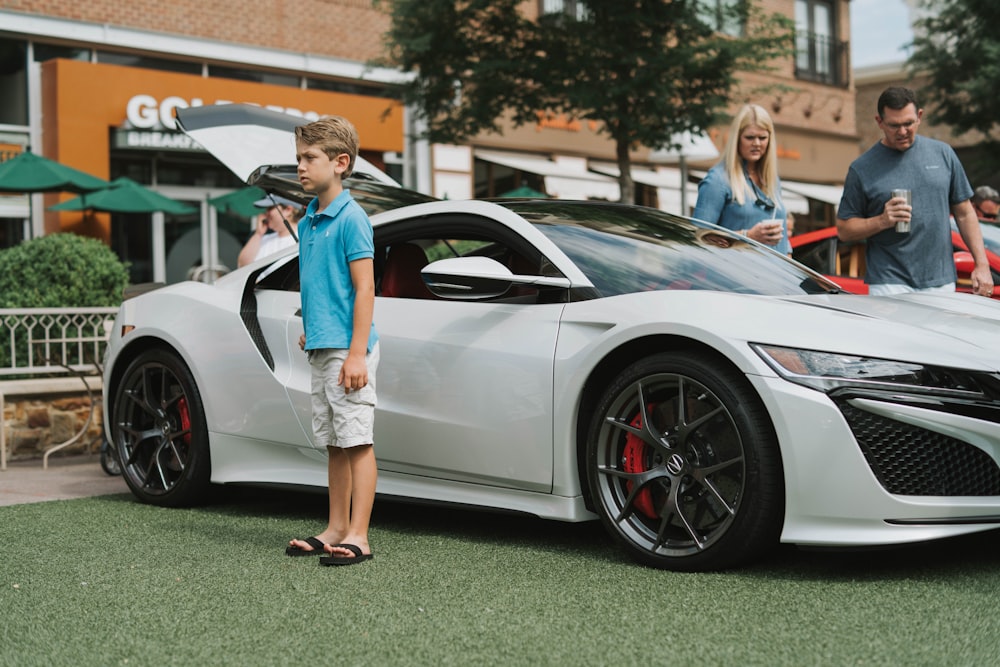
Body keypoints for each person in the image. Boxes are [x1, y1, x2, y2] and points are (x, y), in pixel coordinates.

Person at [285, 115, 380, 566]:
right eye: (298, 158)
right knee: (335, 442)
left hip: (350, 350)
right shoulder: (308, 223)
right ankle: (336, 526)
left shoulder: (352, 219)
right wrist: (314, 324)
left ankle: (359, 535)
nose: (300, 167)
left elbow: (365, 288)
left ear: (340, 162)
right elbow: (321, 285)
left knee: (357, 440)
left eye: (309, 158)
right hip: (323, 346)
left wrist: (357, 352)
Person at [836, 87, 993, 297]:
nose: (902, 132)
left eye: (908, 123)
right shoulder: (862, 168)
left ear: (919, 116)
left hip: (940, 281)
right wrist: (881, 221)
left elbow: (965, 213)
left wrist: (982, 264)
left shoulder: (943, 154)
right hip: (888, 282)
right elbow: (844, 230)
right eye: (893, 125)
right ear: (879, 122)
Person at [692, 103, 790, 255]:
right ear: (737, 139)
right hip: (736, 274)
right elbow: (699, 238)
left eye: (762, 137)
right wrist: (748, 236)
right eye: (750, 137)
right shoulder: (718, 180)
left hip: (775, 275)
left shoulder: (772, 180)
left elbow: (784, 241)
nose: (756, 143)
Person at [236, 195, 302, 267]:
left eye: (270, 208)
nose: (265, 214)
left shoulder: (303, 238)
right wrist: (258, 234)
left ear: (288, 210)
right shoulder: (263, 239)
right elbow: (242, 265)